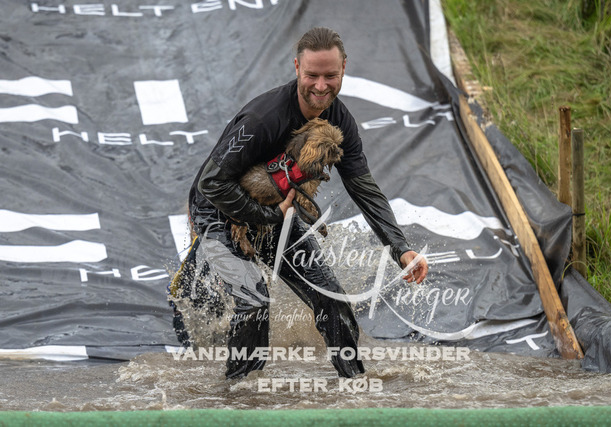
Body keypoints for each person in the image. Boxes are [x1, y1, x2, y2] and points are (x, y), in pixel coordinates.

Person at [174, 26, 428, 379]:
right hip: (219, 210)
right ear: (297, 68)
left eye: (330, 76)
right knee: (254, 301)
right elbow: (211, 183)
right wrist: (266, 214)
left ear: (344, 69)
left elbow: (363, 187)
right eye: (312, 75)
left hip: (276, 212)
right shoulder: (263, 119)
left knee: (332, 297)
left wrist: (400, 247)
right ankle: (240, 394)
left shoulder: (340, 121)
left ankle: (355, 385)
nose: (321, 86)